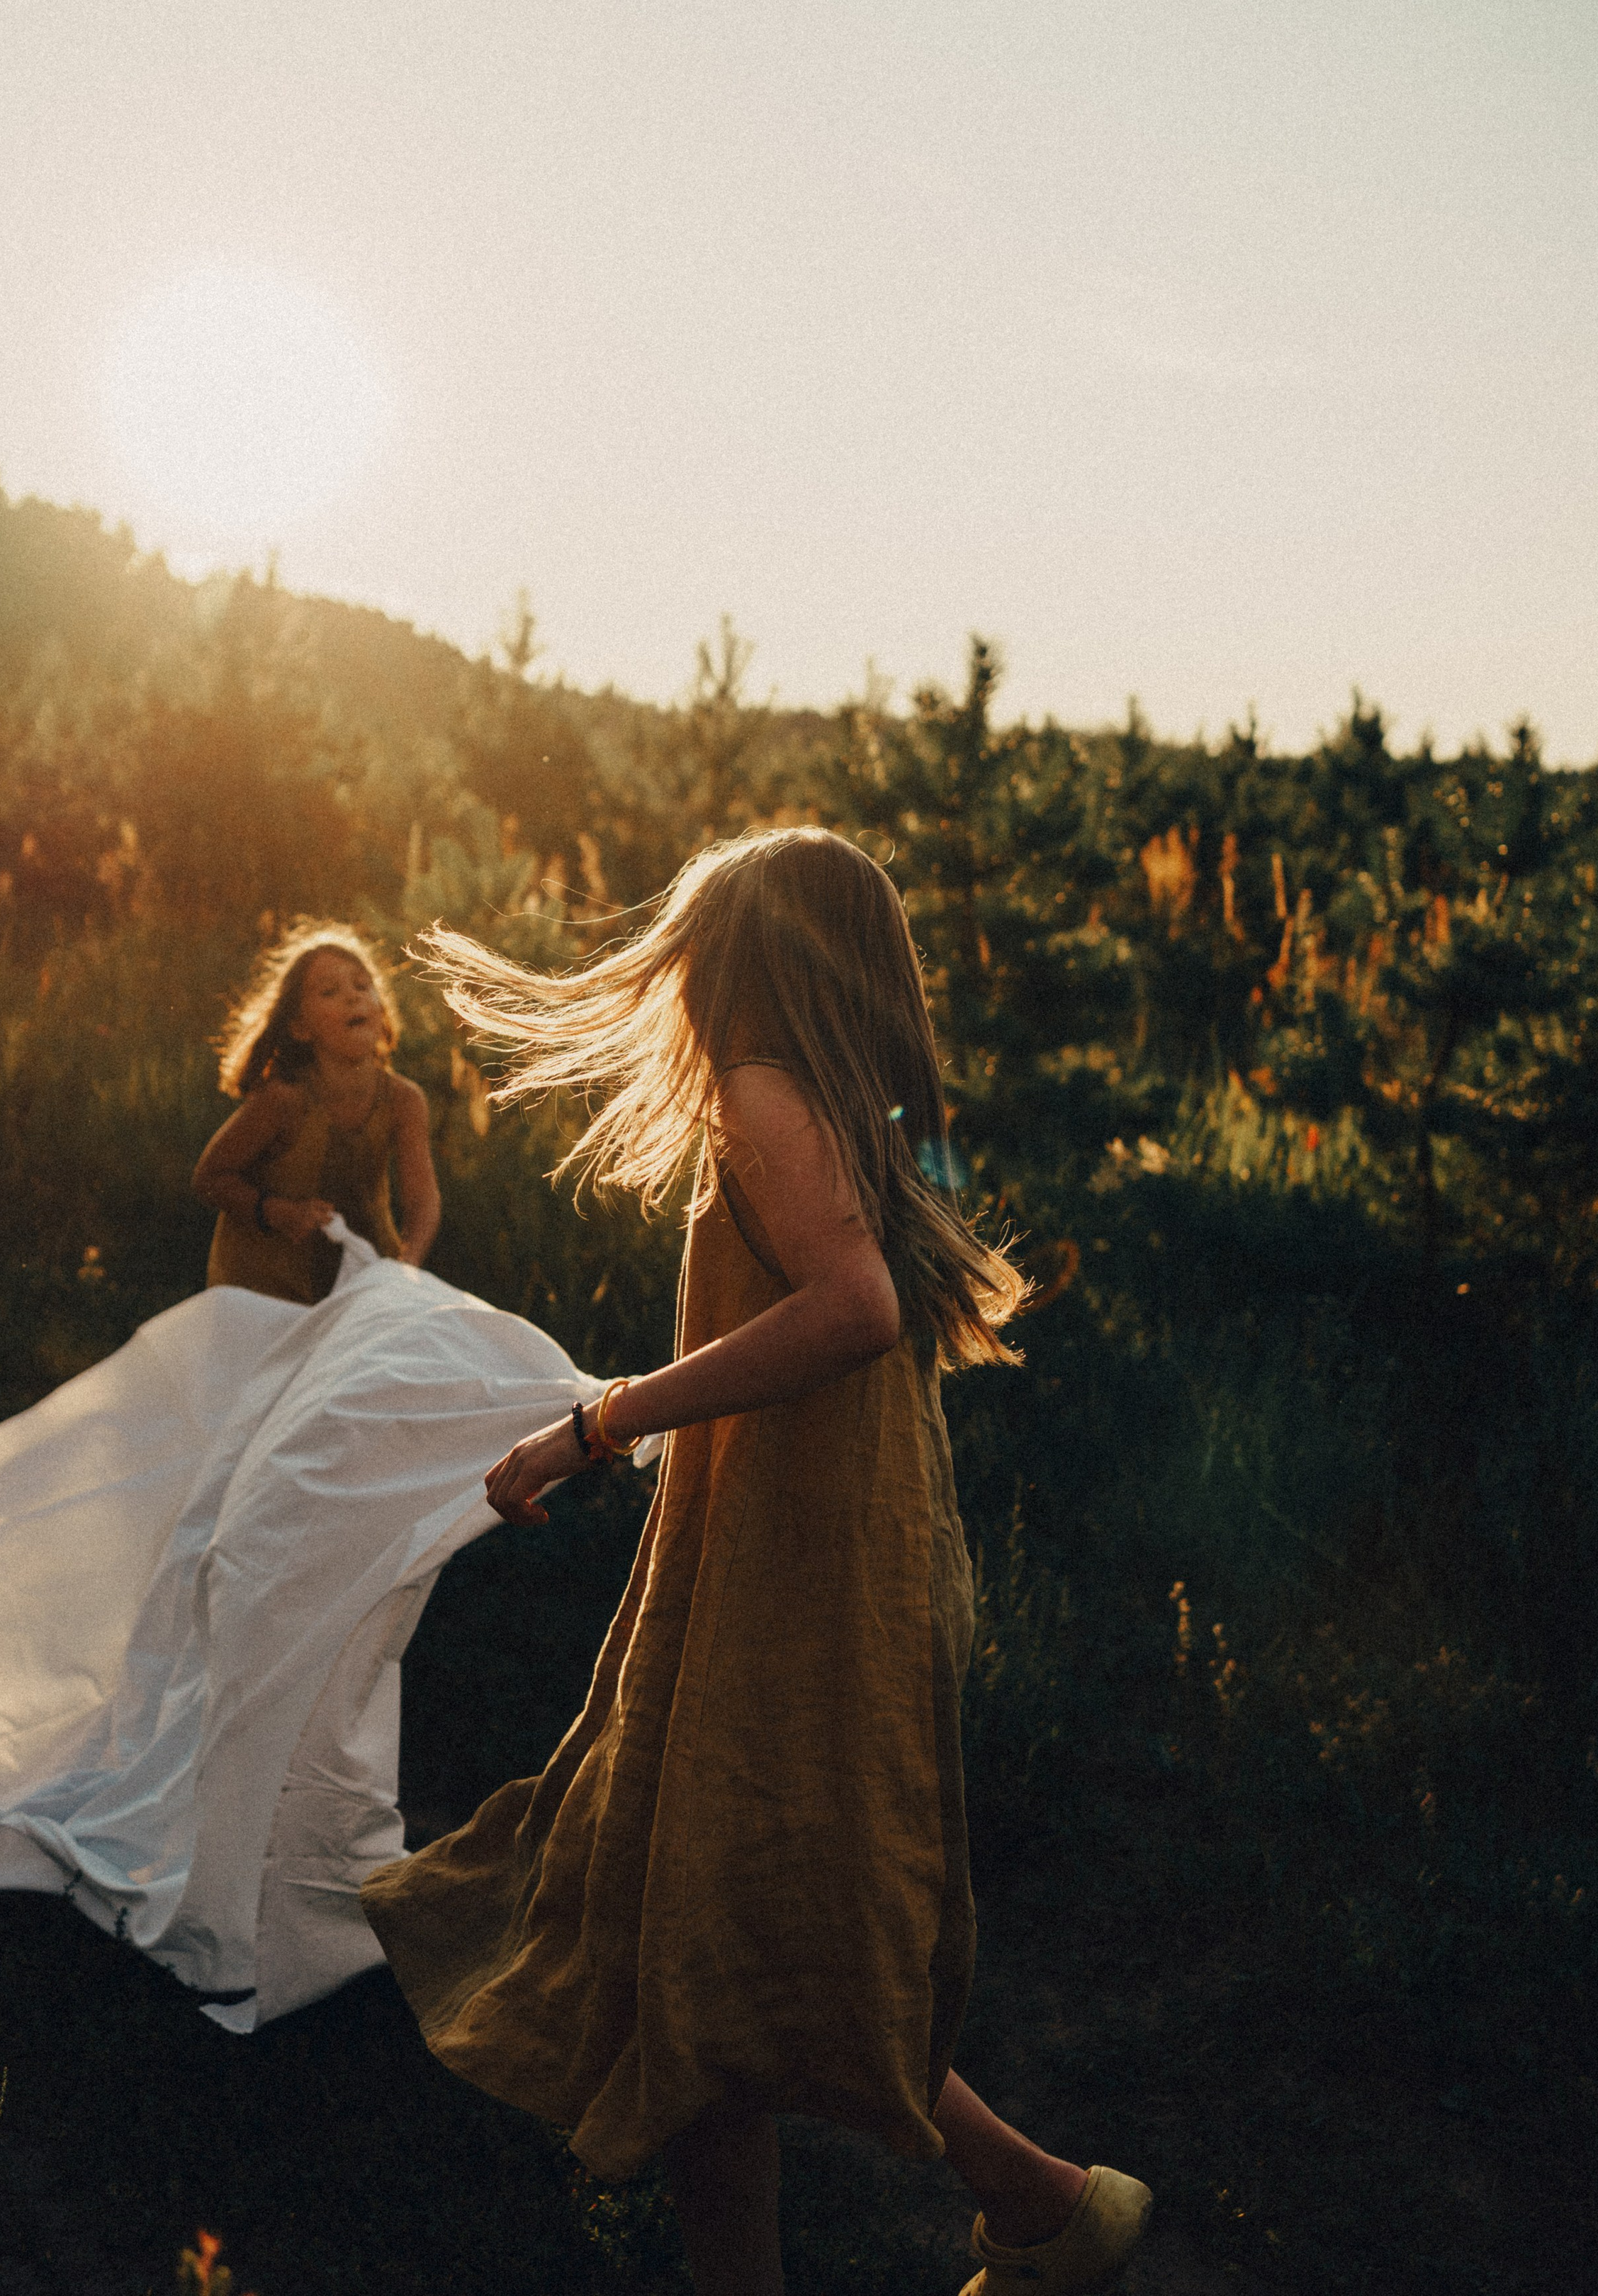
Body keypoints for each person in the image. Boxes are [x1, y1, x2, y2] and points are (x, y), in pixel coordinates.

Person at [360, 829, 1150, 2296]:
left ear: (740, 964)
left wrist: (593, 1426)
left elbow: (849, 1307)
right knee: (718, 1931)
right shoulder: (857, 1110)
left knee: (709, 1945)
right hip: (820, 1560)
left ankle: (1035, 2200)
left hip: (795, 1585)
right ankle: (1039, 2202)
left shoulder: (765, 1097)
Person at [193, 921, 439, 1304]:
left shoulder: (404, 1101)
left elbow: (422, 1203)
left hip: (366, 1281)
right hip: (268, 1292)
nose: (353, 998)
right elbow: (209, 1177)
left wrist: (405, 1269)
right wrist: (277, 1212)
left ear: (382, 1010)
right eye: (330, 992)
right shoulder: (284, 1100)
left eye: (363, 986)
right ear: (300, 1028)